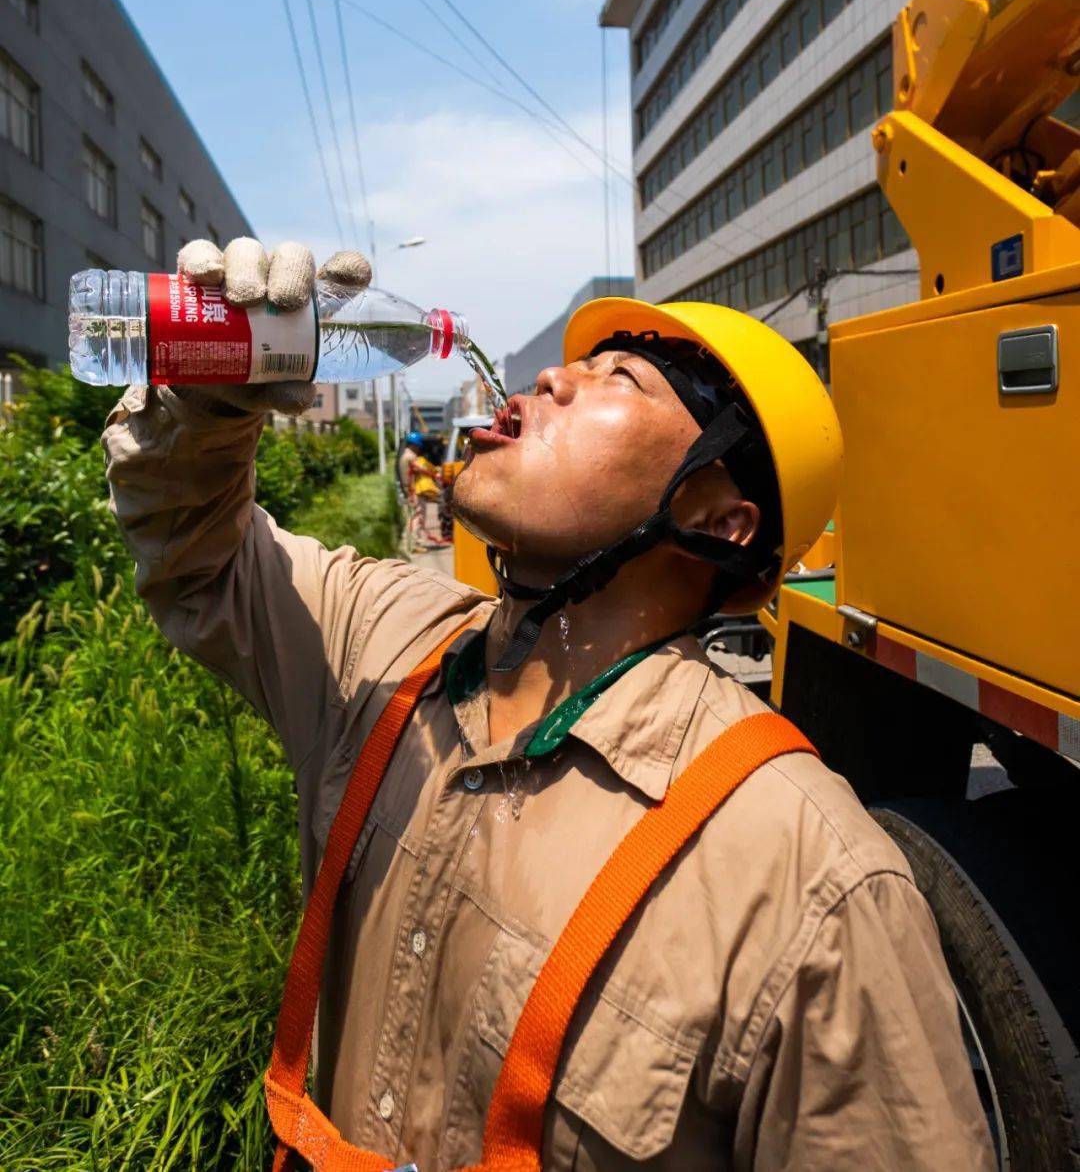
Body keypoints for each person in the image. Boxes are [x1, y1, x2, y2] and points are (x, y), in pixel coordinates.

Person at [102, 237, 994, 1171]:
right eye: (569, 364)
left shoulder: (808, 878)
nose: (551, 381)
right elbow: (199, 558)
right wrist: (206, 398)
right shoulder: (388, 640)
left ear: (716, 519)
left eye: (618, 379)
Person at [398, 431, 446, 549]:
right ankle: (416, 543)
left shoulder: (404, 456)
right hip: (413, 491)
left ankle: (410, 543)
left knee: (412, 517)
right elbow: (423, 469)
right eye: (418, 446)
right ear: (415, 445)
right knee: (417, 517)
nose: (419, 449)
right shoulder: (411, 457)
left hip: (407, 490)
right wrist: (437, 472)